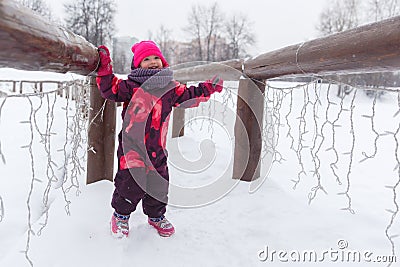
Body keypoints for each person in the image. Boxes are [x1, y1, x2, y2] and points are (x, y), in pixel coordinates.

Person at [96, 40, 223, 238]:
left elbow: (188, 95)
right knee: (130, 183)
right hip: (132, 150)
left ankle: (156, 216)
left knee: (159, 184)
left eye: (156, 58)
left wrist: (207, 88)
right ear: (138, 65)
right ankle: (121, 215)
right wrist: (104, 68)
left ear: (163, 62)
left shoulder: (170, 88)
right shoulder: (131, 86)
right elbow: (110, 89)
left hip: (157, 149)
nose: (153, 61)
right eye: (146, 59)